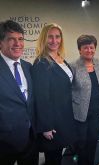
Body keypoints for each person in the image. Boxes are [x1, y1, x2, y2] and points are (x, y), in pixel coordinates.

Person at [32, 23, 76, 165]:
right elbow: (41, 97)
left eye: (57, 37)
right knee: (52, 160)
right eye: (50, 37)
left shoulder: (61, 59)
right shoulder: (41, 63)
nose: (54, 40)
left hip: (63, 119)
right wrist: (45, 127)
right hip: (52, 124)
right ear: (44, 39)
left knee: (58, 157)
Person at [0, 20, 38, 165]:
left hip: (30, 140)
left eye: (20, 39)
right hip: (4, 143)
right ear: (1, 43)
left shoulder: (28, 67)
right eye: (11, 39)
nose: (18, 43)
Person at [71, 34, 99, 165]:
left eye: (92, 47)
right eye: (85, 48)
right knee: (81, 143)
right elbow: (68, 90)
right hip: (80, 112)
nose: (89, 50)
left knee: (93, 141)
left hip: (97, 112)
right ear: (79, 49)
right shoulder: (73, 66)